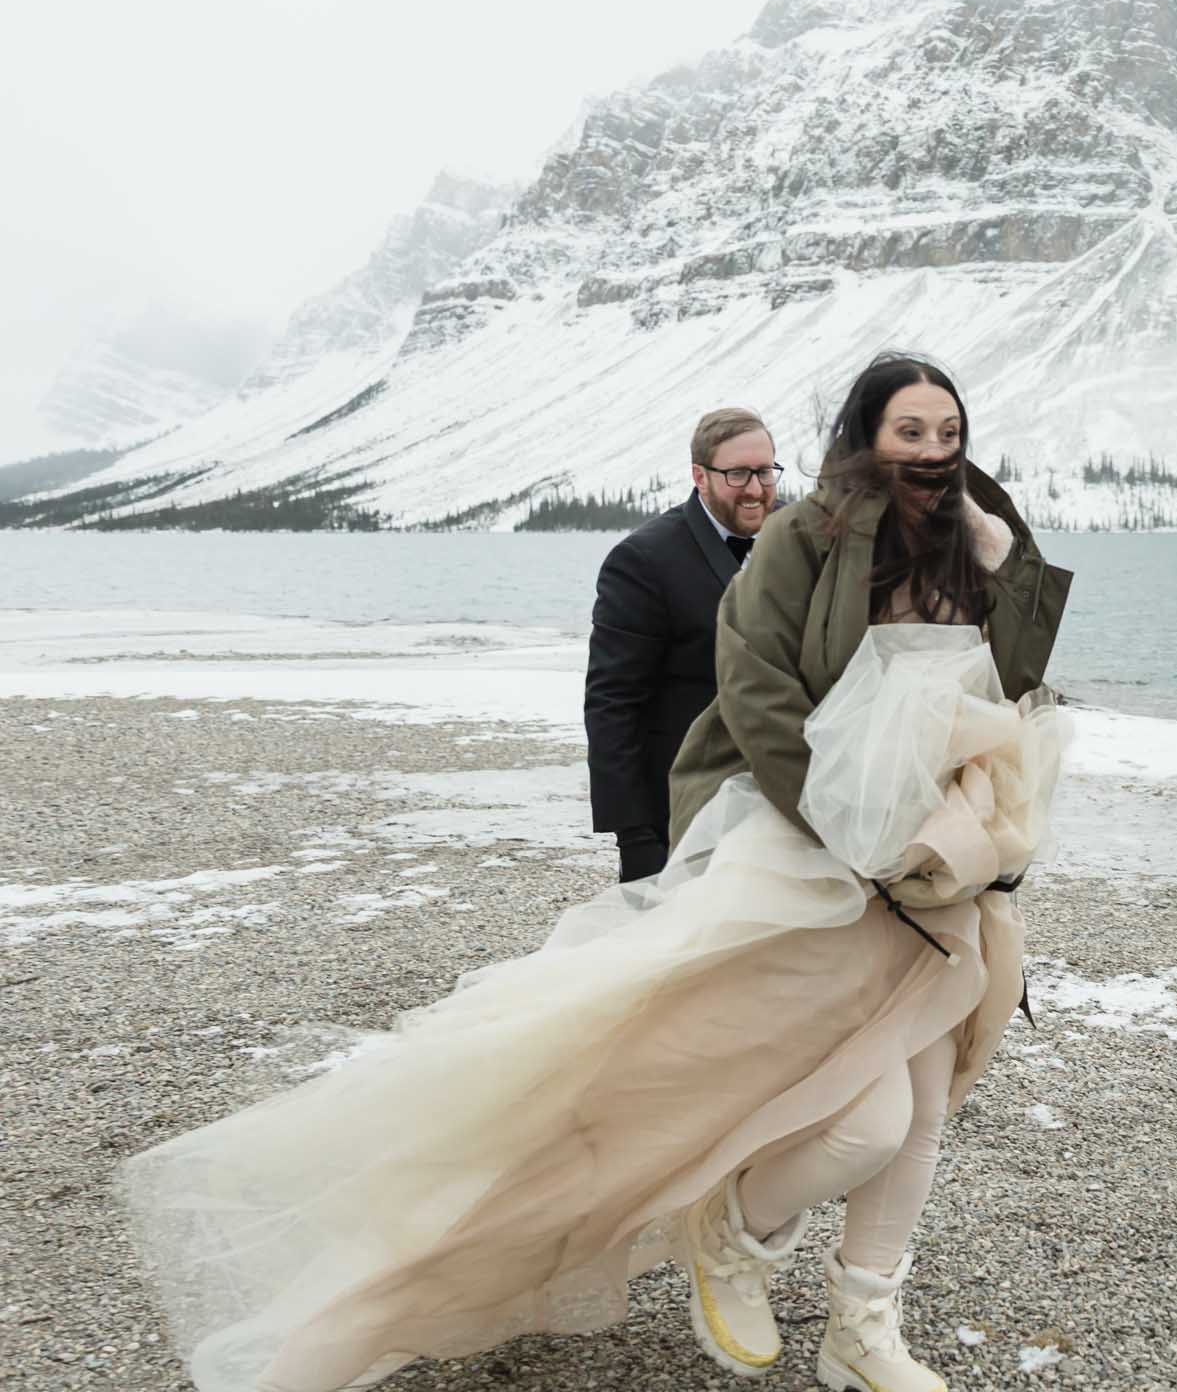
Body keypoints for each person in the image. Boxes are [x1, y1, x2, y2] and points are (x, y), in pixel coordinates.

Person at [118, 352, 1073, 1392]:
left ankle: (863, 1329)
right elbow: (751, 693)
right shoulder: (806, 537)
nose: (932, 451)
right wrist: (843, 835)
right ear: (864, 435)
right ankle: (737, 1230)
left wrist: (1003, 547)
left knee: (924, 1110)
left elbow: (1016, 680)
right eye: (910, 431)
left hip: (950, 855)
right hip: (819, 849)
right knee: (858, 1118)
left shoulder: (980, 538)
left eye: (947, 431)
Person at [585, 407, 779, 882]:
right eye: (737, 474)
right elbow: (612, 704)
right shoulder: (642, 560)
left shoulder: (797, 539)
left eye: (765, 471)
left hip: (784, 802)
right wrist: (634, 835)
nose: (755, 488)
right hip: (685, 810)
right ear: (701, 476)